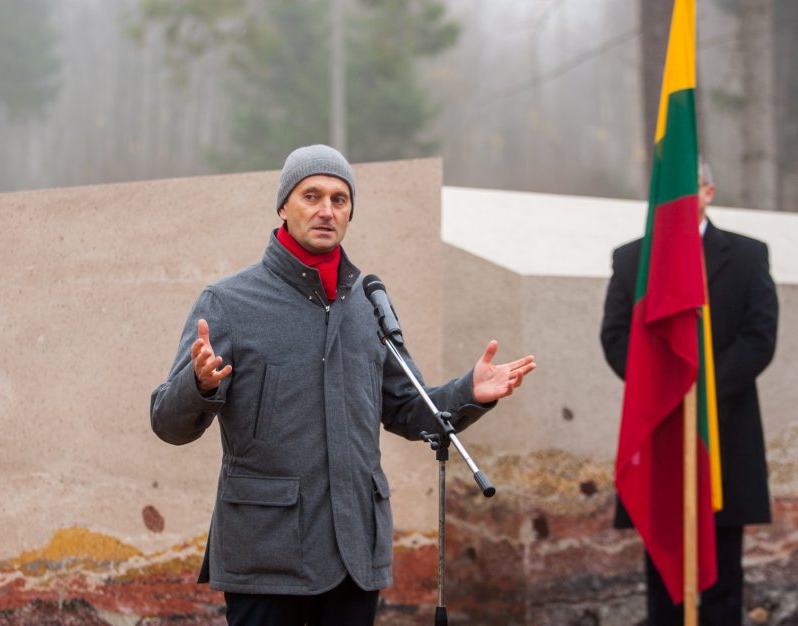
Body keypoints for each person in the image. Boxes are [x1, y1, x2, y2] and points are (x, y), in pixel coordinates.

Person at [150, 144, 536, 626]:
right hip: (267, 556)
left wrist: (468, 393)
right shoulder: (229, 302)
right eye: (311, 196)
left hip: (356, 555)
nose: (326, 210)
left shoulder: (368, 306)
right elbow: (167, 422)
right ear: (283, 206)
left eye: (339, 199)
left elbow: (406, 408)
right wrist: (199, 384)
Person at [600, 160, 778, 626]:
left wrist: (701, 394)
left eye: (687, 189)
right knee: (664, 578)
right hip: (660, 429)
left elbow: (760, 337)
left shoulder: (747, 255)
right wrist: (664, 389)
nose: (676, 200)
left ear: (709, 192)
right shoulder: (631, 259)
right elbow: (616, 337)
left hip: (724, 433)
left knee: (720, 578)